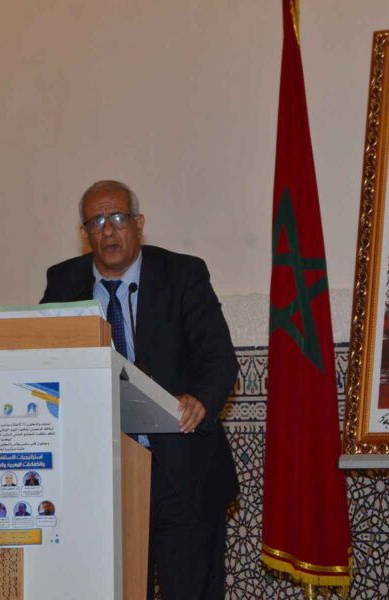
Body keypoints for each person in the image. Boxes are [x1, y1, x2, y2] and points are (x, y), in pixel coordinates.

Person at [40, 180, 238, 599]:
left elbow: (219, 358)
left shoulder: (183, 274)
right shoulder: (63, 283)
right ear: (84, 233)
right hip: (103, 477)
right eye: (96, 222)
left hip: (180, 471)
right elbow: (44, 360)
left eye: (117, 218)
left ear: (139, 223)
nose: (108, 231)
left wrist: (200, 399)